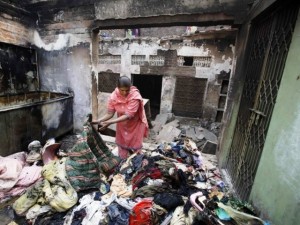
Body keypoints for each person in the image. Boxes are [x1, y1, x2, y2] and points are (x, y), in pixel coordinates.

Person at [94, 76, 149, 159]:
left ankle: (137, 162)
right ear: (118, 88)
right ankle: (122, 161)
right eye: (122, 90)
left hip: (136, 124)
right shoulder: (113, 96)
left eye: (127, 90)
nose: (124, 93)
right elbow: (110, 113)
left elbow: (128, 115)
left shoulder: (135, 96)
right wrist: (99, 121)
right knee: (122, 145)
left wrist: (110, 123)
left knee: (136, 147)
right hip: (122, 124)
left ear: (130, 88)